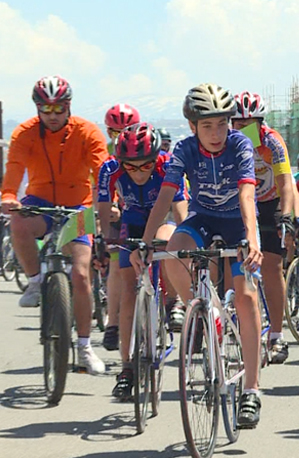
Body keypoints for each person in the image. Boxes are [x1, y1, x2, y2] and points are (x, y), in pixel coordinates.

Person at [131, 83, 264, 427]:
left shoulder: (240, 144)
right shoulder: (185, 148)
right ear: (193, 126)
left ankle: (251, 389)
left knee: (246, 296)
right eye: (207, 126)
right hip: (202, 217)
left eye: (222, 124)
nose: (217, 133)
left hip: (238, 221)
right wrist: (145, 243)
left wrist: (251, 239)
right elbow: (166, 195)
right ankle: (203, 312)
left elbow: (247, 194)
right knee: (174, 251)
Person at [1, 75, 108, 374]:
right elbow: (14, 170)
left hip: (78, 205)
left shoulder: (87, 131)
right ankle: (35, 280)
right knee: (18, 222)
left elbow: (102, 170)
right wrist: (8, 196)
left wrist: (109, 202)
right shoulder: (24, 133)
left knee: (82, 275)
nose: (52, 115)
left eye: (58, 108)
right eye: (45, 109)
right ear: (37, 108)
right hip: (40, 201)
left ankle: (85, 346)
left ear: (68, 106)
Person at [96, 122, 187, 400]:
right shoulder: (109, 169)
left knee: (168, 241)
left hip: (164, 218)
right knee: (128, 293)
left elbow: (180, 211)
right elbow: (103, 211)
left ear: (156, 158)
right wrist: (105, 242)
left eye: (145, 166)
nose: (138, 172)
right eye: (130, 167)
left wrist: (186, 246)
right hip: (133, 220)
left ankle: (173, 301)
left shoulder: (169, 165)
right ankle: (126, 367)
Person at [231, 90, 299, 364]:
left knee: (272, 266)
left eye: (250, 123)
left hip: (270, 203)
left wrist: (286, 216)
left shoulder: (272, 141)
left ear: (260, 123)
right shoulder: (227, 141)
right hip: (239, 202)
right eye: (239, 124)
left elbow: (285, 182)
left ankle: (276, 334)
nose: (244, 128)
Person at [101, 103, 141, 351]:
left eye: (127, 130)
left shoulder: (143, 146)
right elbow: (101, 189)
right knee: (116, 265)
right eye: (116, 132)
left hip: (140, 210)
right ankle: (113, 324)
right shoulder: (105, 154)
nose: (121, 136)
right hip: (117, 213)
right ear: (108, 132)